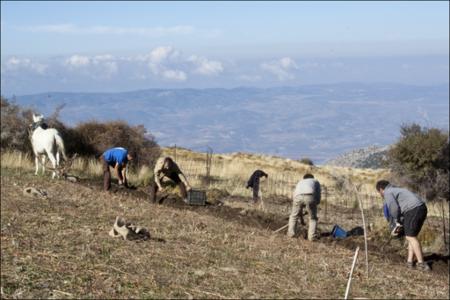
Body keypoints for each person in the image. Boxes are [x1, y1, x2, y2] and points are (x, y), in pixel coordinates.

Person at [376, 180, 430, 271]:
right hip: (420, 208)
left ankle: (421, 264)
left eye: (379, 192)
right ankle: (409, 262)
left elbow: (393, 208)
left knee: (410, 237)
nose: (380, 194)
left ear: (381, 189)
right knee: (411, 236)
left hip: (414, 209)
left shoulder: (388, 192)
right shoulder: (396, 189)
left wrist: (396, 221)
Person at [288, 173, 321, 241]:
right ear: (312, 177)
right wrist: (314, 205)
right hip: (310, 196)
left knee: (293, 216)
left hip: (297, 197)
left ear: (304, 178)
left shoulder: (300, 182)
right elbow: (318, 195)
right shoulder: (315, 181)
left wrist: (303, 214)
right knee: (313, 218)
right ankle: (312, 237)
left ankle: (290, 234)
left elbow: (296, 195)